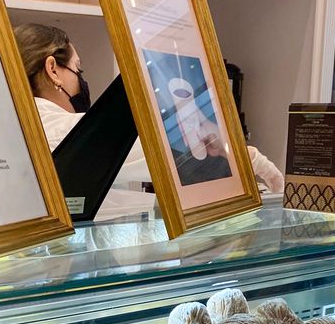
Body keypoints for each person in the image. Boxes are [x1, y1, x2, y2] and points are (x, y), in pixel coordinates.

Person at [14, 24, 284, 212]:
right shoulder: (58, 129)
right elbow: (159, 147)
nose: (81, 80)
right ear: (53, 69)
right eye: (77, 69)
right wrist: (248, 157)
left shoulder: (17, 126)